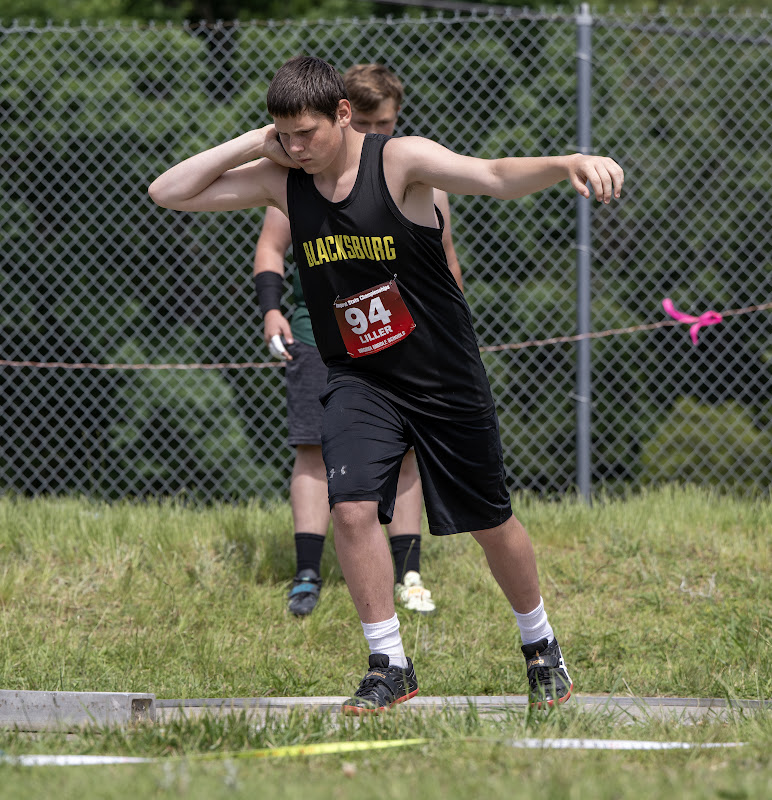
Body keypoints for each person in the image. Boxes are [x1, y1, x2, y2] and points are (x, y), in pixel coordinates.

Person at [148, 55, 624, 713]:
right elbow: (167, 191)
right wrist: (257, 142)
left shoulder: (398, 162)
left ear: (343, 114)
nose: (296, 147)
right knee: (349, 506)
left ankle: (540, 646)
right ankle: (388, 662)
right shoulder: (284, 180)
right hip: (359, 376)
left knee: (490, 520)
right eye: (284, 135)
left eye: (306, 133)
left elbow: (491, 175)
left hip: (440, 373)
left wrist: (564, 162)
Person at [253, 64, 463, 618]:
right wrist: (272, 310)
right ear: (344, 116)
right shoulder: (304, 175)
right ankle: (306, 572)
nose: (376, 134)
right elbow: (272, 246)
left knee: (410, 454)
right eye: (366, 122)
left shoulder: (410, 173)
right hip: (323, 332)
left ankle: (409, 570)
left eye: (385, 122)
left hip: (403, 337)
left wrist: (454, 334)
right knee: (313, 447)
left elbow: (444, 260)